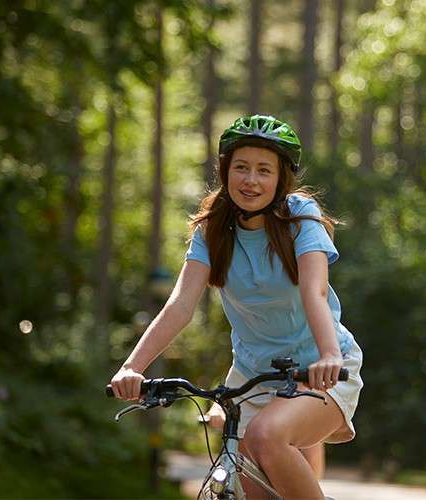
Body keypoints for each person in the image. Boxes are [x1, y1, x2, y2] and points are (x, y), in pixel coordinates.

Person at [110, 114, 363, 499]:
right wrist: (133, 366)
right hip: (251, 379)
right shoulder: (212, 230)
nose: (251, 180)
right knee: (248, 489)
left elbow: (316, 292)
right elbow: (180, 305)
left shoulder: (300, 218)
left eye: (264, 170)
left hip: (320, 371)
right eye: (241, 168)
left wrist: (328, 355)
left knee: (267, 435)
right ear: (226, 171)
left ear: (281, 179)